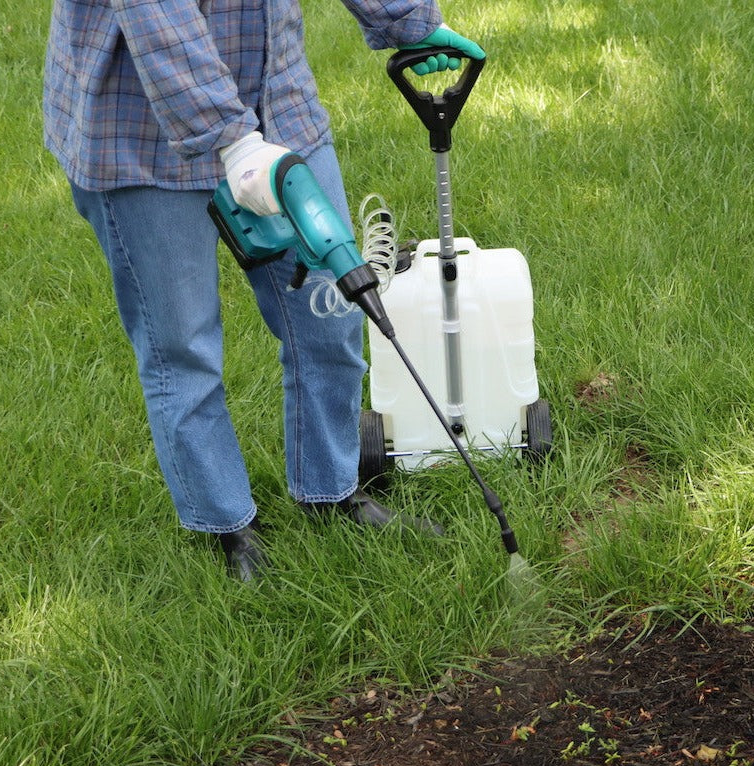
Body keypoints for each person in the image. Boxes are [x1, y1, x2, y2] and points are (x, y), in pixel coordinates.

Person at [43, 1, 485, 581]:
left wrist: (409, 20)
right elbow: (158, 15)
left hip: (276, 105)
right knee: (183, 347)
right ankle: (226, 525)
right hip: (136, 128)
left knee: (329, 314)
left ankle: (331, 492)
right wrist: (231, 140)